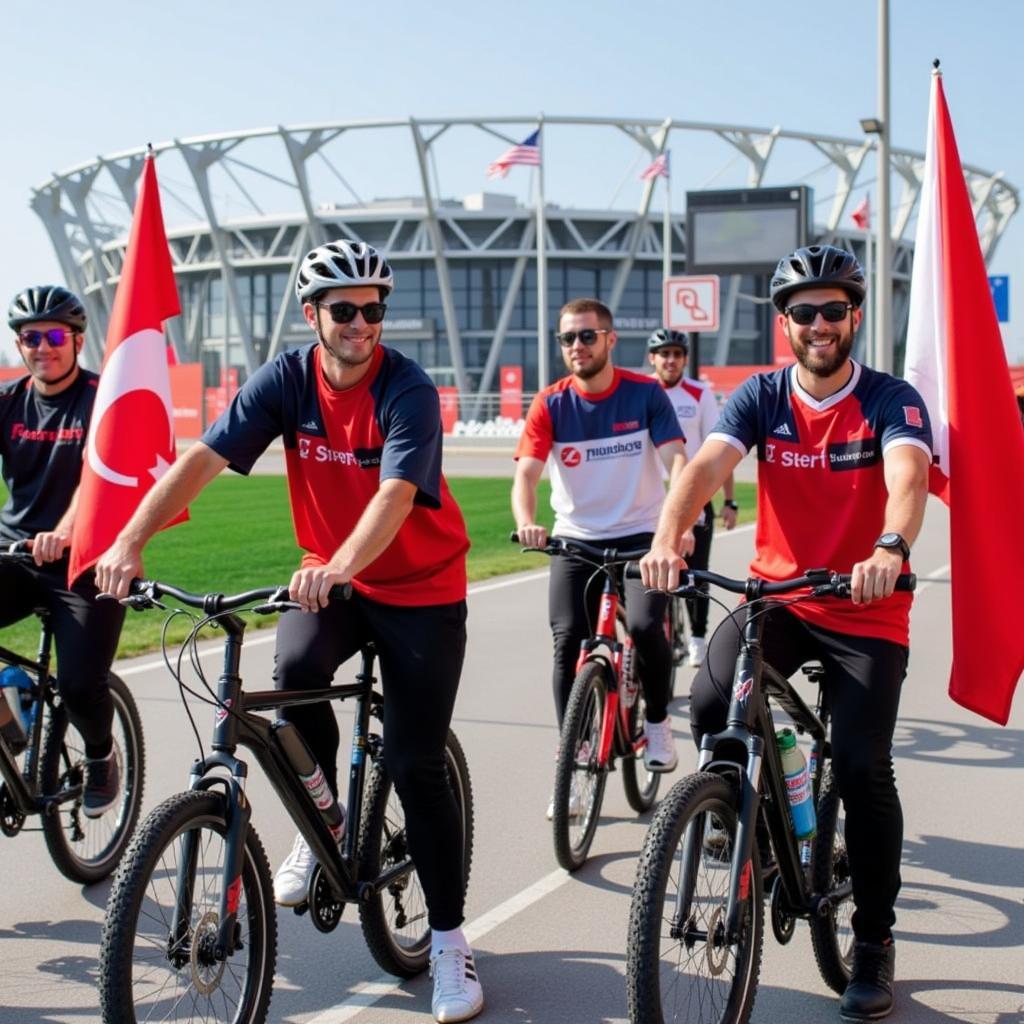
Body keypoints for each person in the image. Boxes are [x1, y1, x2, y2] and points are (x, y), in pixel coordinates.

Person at [95, 240, 483, 1024]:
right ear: (313, 316)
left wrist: (339, 563)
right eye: (345, 310)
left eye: (374, 309)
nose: (362, 324)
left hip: (417, 587)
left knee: (414, 761)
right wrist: (130, 539)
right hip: (334, 576)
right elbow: (202, 458)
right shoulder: (285, 379)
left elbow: (398, 495)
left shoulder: (405, 388)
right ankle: (325, 821)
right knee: (293, 678)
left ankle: (448, 943)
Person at [641, 244, 932, 1023]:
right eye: (803, 312)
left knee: (866, 768)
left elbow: (908, 480)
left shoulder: (890, 399)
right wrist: (670, 535)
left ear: (854, 317)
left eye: (833, 310)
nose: (819, 324)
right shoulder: (761, 396)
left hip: (865, 608)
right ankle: (758, 826)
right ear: (785, 324)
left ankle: (872, 944)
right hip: (783, 597)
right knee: (708, 706)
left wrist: (889, 549)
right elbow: (702, 468)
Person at [512, 297, 689, 812]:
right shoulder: (551, 403)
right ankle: (574, 751)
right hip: (576, 540)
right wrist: (527, 522)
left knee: (645, 627)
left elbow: (677, 459)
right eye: (567, 338)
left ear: (610, 340)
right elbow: (526, 473)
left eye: (587, 336)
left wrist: (673, 529)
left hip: (641, 539)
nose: (576, 347)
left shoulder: (645, 394)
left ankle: (656, 721)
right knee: (568, 640)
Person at [0, 285, 127, 818]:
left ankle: (100, 755)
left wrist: (68, 528)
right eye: (31, 337)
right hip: (15, 556)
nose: (42, 347)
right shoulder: (8, 402)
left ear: (77, 341)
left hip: (86, 564)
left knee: (79, 685)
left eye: (54, 336)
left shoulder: (104, 398)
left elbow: (99, 477)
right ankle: (10, 720)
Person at [647, 328, 738, 667]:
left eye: (677, 354)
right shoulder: (641, 392)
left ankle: (697, 638)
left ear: (685, 359)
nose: (670, 360)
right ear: (652, 358)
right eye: (664, 354)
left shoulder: (699, 394)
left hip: (694, 496)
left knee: (695, 572)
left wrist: (729, 501)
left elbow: (722, 449)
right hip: (651, 500)